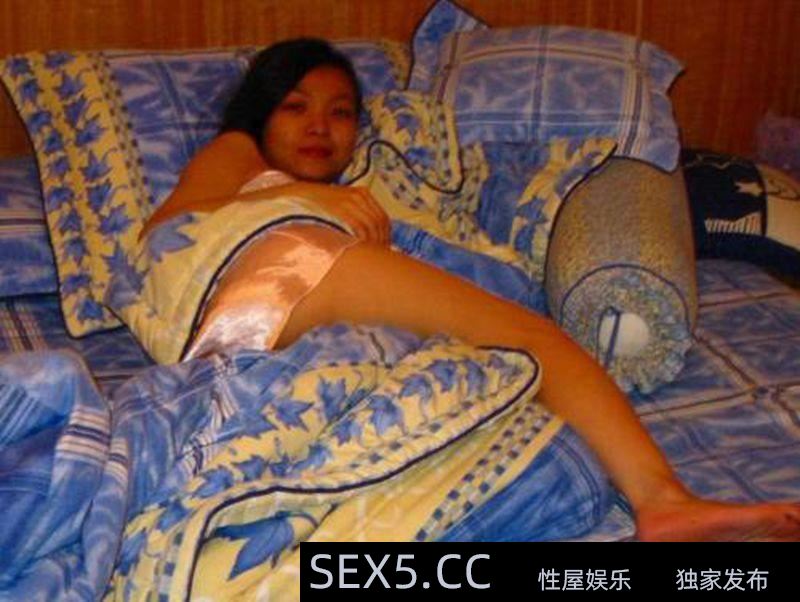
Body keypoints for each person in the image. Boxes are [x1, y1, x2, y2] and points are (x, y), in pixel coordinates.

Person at [142, 38, 800, 541]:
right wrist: (308, 199)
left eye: (341, 113)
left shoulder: (364, 185)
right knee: (527, 337)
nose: (320, 126)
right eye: (296, 106)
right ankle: (665, 501)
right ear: (259, 114)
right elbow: (171, 226)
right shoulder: (240, 154)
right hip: (281, 269)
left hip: (275, 324)